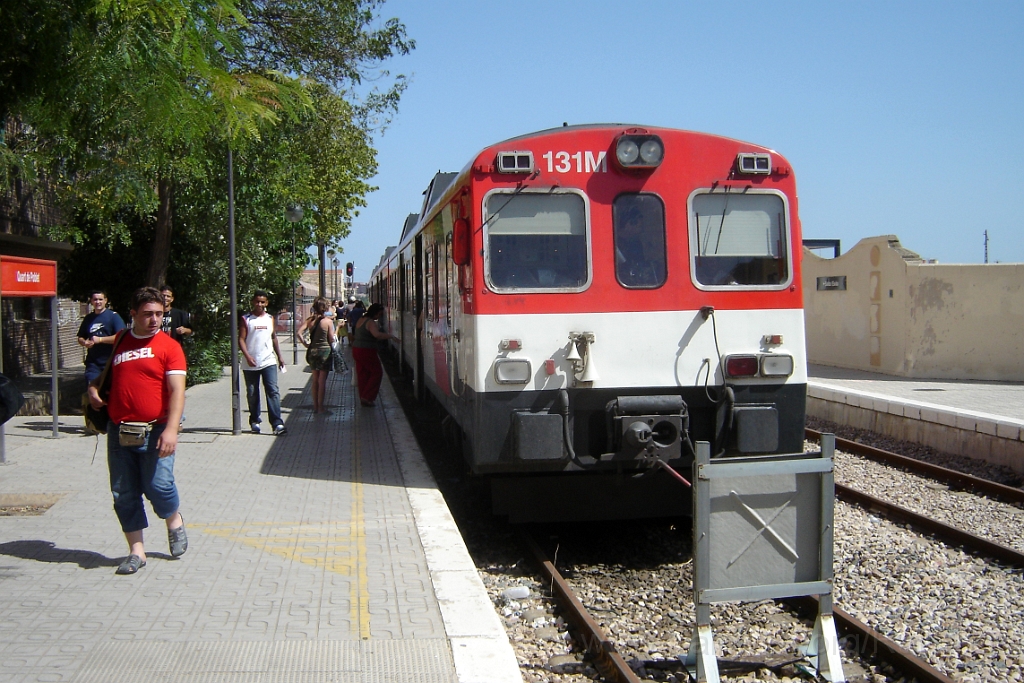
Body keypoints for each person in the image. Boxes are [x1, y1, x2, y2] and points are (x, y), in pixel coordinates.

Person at [87, 286, 187, 575]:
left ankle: (173, 519)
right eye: (147, 314)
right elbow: (105, 377)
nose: (154, 319)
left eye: (158, 313)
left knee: (158, 486)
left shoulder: (169, 347)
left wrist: (171, 430)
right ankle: (136, 552)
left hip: (156, 429)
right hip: (119, 429)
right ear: (132, 314)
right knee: (124, 492)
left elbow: (177, 391)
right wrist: (93, 389)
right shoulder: (121, 340)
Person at [238, 290, 287, 436]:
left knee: (273, 391)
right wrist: (247, 356)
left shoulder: (270, 318)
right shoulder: (246, 319)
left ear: (266, 303)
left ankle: (277, 423)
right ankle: (255, 420)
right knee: (252, 392)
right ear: (253, 302)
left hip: (268, 360)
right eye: (257, 301)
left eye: (262, 302)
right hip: (250, 363)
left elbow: (273, 338)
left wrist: (280, 357)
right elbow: (241, 339)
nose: (259, 304)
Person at [352, 303, 396, 407]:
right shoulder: (370, 322)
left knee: (362, 373)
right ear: (374, 313)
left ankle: (363, 397)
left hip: (356, 349)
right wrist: (391, 336)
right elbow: (377, 335)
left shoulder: (361, 320)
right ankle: (367, 397)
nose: (379, 317)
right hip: (366, 350)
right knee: (377, 372)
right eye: (379, 314)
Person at [77, 290, 126, 384]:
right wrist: (84, 342)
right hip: (93, 363)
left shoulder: (113, 317)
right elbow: (80, 337)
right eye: (95, 300)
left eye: (100, 299)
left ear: (105, 300)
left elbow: (121, 337)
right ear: (91, 301)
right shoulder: (88, 318)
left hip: (111, 362)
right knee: (92, 388)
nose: (98, 302)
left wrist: (100, 340)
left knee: (109, 392)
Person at [297, 297, 336, 414]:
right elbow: (331, 338)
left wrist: (305, 344)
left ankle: (315, 406)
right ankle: (320, 407)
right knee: (322, 380)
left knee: (315, 380)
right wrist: (338, 328)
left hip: (312, 351)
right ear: (325, 308)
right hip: (324, 352)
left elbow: (299, 332)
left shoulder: (310, 320)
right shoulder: (328, 322)